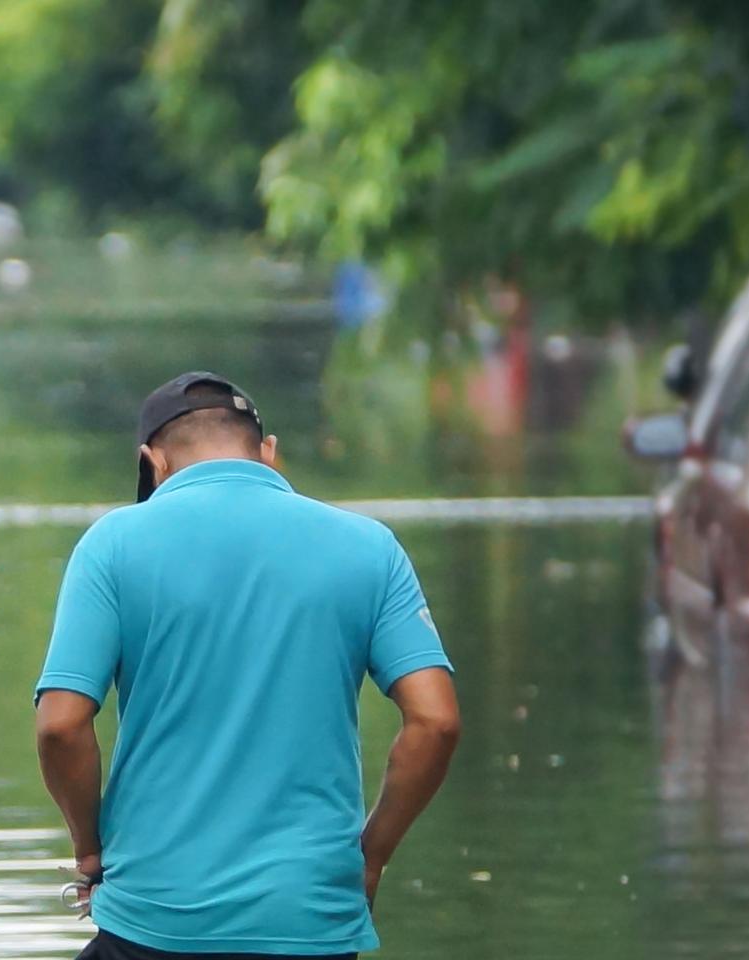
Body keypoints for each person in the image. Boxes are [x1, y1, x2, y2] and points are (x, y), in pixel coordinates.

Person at [33, 372, 466, 959]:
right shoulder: (370, 547)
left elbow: (60, 725)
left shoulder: (112, 544)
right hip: (311, 919)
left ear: (152, 463)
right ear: (268, 453)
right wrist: (372, 855)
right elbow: (436, 721)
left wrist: (89, 848)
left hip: (157, 917)